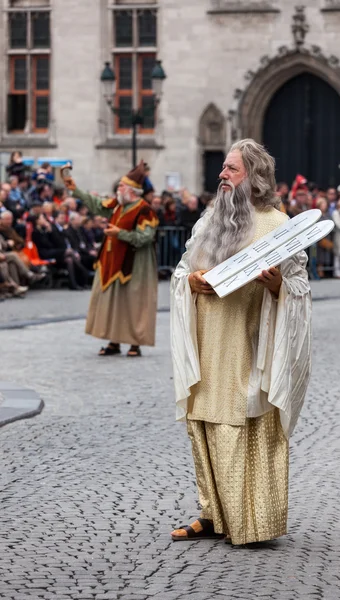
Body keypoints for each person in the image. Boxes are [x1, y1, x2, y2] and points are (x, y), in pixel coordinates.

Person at [170, 139, 312, 546]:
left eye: (231, 169)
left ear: (255, 176)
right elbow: (181, 271)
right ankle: (212, 513)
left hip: (249, 345)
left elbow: (300, 285)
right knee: (203, 422)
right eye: (223, 168)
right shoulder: (208, 221)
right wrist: (191, 282)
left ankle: (249, 520)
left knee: (240, 421)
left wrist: (278, 286)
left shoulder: (279, 226)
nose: (222, 175)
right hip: (205, 343)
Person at [63, 161, 159, 357]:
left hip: (135, 263)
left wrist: (120, 233)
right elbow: (98, 205)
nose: (118, 189)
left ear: (132, 191)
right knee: (113, 303)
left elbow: (145, 238)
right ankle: (114, 342)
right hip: (112, 260)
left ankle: (135, 344)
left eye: (122, 186)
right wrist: (76, 191)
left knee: (133, 302)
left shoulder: (144, 210)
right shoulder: (117, 205)